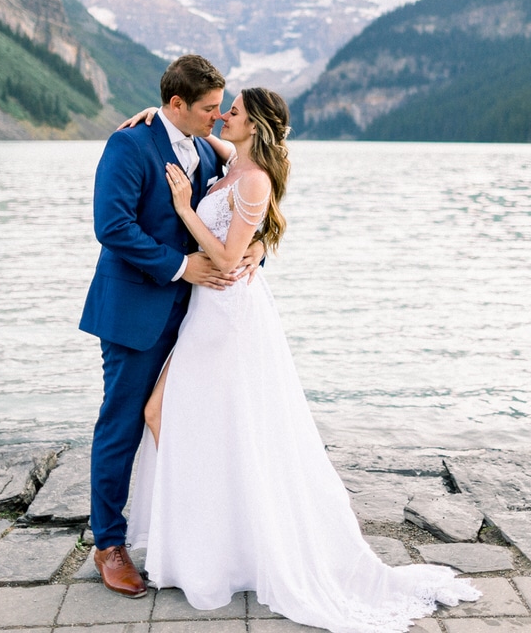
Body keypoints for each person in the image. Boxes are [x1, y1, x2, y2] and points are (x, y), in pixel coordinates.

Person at [116, 87, 478, 633]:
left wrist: (187, 210)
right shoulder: (229, 159)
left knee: (165, 414)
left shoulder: (255, 177)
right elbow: (191, 131)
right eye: (221, 109)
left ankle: (209, 539)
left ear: (255, 125)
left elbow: (230, 255)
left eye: (232, 111)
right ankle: (215, 538)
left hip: (226, 316)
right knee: (190, 419)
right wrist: (157, 114)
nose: (221, 116)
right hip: (209, 313)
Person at [81, 55, 266, 598]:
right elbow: (111, 227)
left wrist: (255, 250)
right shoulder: (129, 145)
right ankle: (109, 543)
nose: (217, 117)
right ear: (176, 104)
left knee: (197, 421)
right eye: (208, 108)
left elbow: (249, 204)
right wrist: (183, 266)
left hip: (198, 317)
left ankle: (189, 533)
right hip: (136, 311)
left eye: (221, 108)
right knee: (122, 423)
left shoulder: (211, 151)